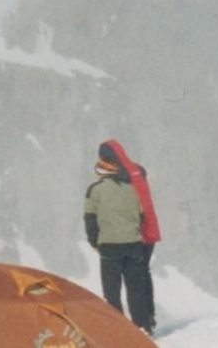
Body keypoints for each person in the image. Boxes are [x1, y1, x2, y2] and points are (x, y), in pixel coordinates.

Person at [84, 139, 160, 336]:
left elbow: (90, 219)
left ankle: (116, 331)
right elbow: (141, 213)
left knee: (112, 291)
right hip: (134, 243)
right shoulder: (131, 188)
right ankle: (143, 326)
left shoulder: (95, 190)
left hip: (110, 246)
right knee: (135, 286)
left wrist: (95, 242)